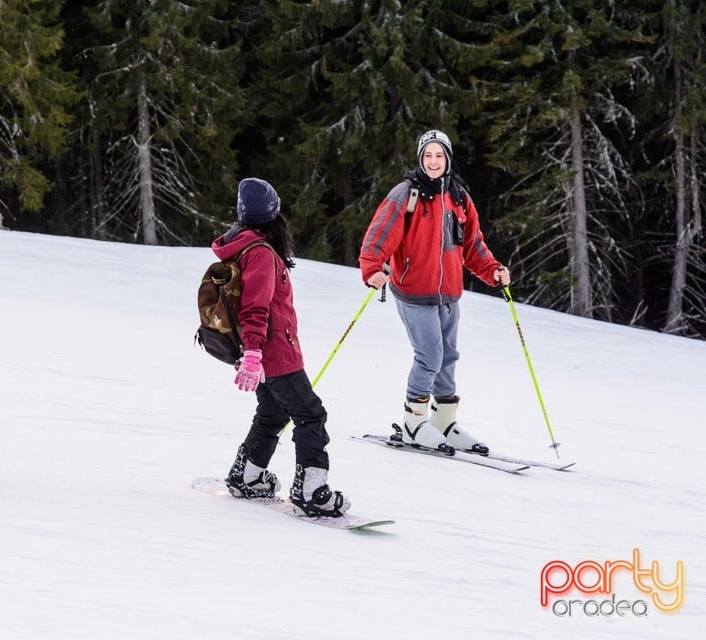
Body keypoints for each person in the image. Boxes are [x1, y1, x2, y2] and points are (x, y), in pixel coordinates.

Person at [359, 130, 510, 455]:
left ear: (448, 159)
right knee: (430, 355)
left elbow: (472, 245)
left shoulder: (458, 197)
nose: (433, 161)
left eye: (438, 155)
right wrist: (372, 268)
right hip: (413, 292)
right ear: (420, 159)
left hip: (449, 295)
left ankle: (443, 421)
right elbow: (380, 234)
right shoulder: (407, 194)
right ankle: (414, 422)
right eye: (427, 155)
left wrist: (493, 270)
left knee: (448, 358)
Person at [215, 177, 349, 517]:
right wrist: (255, 352)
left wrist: (250, 353)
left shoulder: (244, 245)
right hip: (275, 353)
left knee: (273, 413)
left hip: (264, 351)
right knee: (311, 415)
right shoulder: (260, 252)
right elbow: (255, 308)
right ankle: (311, 491)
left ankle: (247, 475)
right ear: (274, 212)